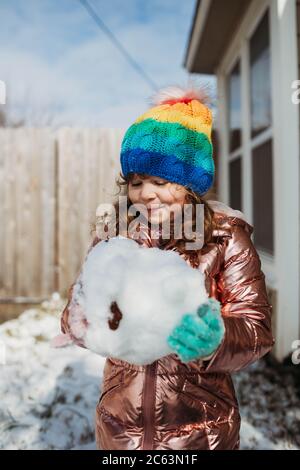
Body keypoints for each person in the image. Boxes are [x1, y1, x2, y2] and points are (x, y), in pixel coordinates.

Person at [60, 85, 274, 450]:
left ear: (192, 184)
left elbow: (256, 328)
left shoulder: (223, 240)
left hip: (199, 429)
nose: (145, 193)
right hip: (120, 428)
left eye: (160, 181)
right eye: (137, 182)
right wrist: (83, 320)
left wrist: (217, 338)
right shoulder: (115, 237)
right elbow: (77, 309)